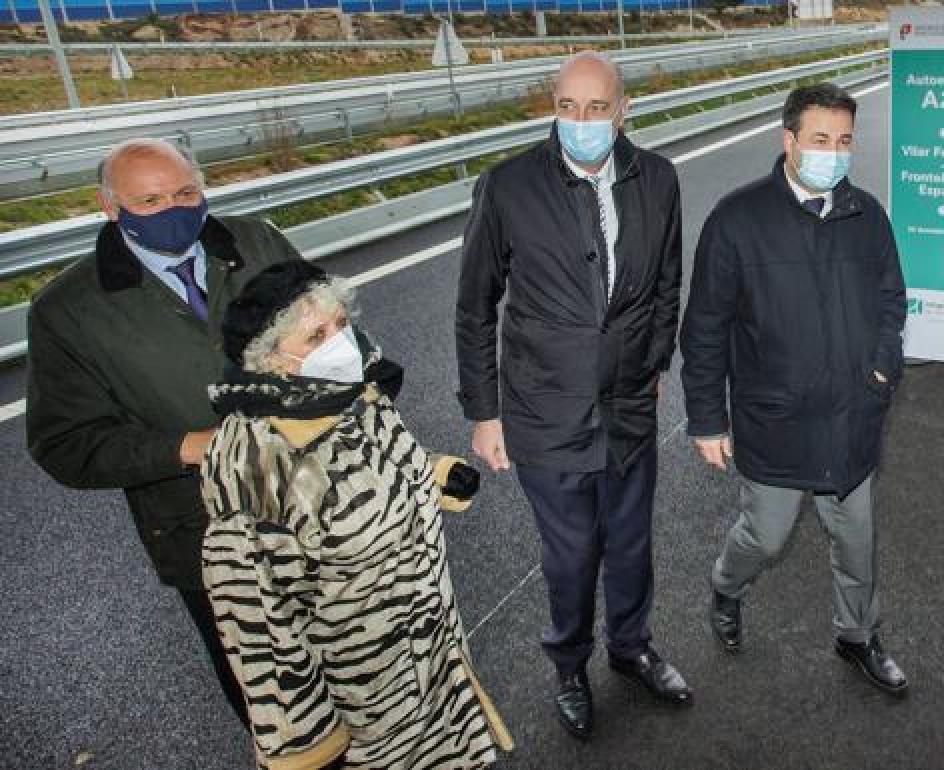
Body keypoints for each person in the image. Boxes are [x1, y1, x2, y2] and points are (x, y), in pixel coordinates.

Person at [26, 138, 303, 726]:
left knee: (363, 656)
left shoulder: (258, 243)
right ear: (111, 208)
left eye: (185, 193)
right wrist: (182, 447)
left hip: (318, 499)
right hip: (205, 529)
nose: (175, 210)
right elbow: (64, 444)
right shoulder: (68, 311)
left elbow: (340, 336)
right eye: (150, 201)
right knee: (272, 699)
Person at [455, 50, 688, 740]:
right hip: (544, 413)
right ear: (552, 108)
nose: (580, 123)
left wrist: (653, 363)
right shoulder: (507, 187)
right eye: (566, 108)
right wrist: (483, 411)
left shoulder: (660, 180)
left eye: (595, 109)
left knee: (630, 542)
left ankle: (631, 644)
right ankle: (568, 663)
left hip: (628, 408)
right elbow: (475, 306)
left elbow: (669, 283)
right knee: (570, 555)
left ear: (623, 110)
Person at [202, 260, 508, 769]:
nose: (338, 342)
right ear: (271, 360)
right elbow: (260, 627)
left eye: (340, 325)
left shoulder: (355, 396)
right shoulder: (256, 461)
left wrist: (434, 476)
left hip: (431, 654)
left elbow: (370, 472)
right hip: (364, 699)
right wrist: (310, 747)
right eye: (315, 335)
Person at [680, 83, 909, 695]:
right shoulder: (737, 219)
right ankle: (726, 587)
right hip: (775, 420)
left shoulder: (866, 215)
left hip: (852, 416)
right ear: (789, 141)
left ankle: (857, 635)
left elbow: (892, 299)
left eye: (843, 142)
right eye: (820, 140)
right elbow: (704, 329)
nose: (834, 153)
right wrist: (706, 420)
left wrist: (883, 367)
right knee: (767, 535)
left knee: (857, 540)